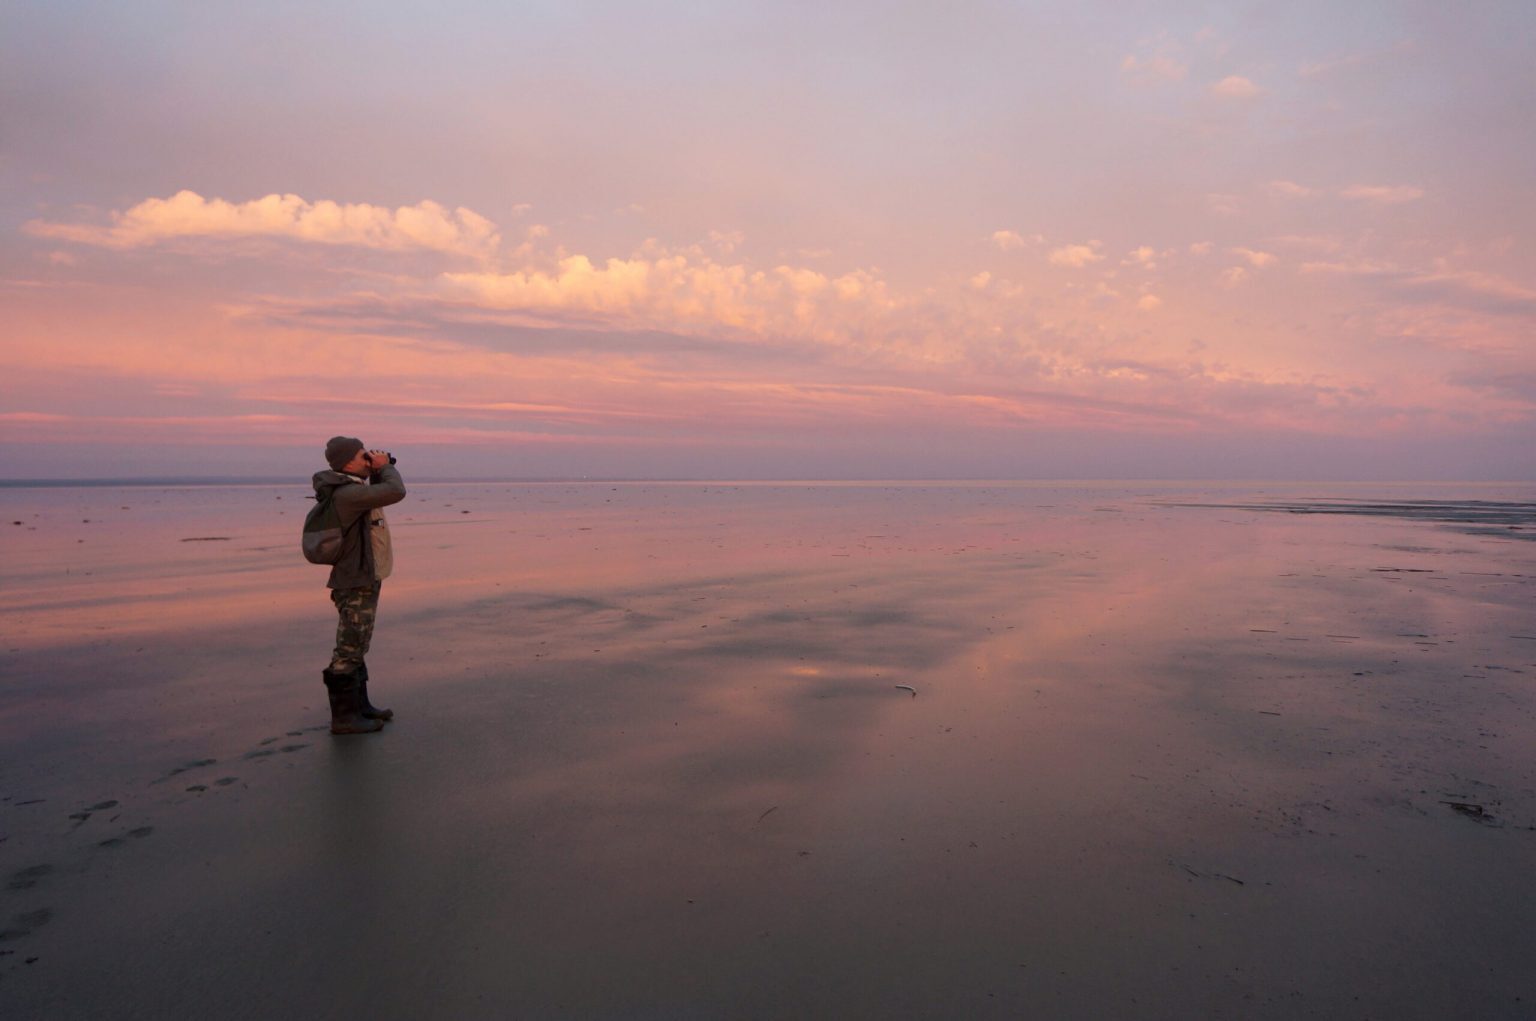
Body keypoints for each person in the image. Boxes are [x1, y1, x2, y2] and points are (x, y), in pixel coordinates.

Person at [314, 436, 407, 735]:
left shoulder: (355, 490)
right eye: (362, 455)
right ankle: (344, 719)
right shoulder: (347, 494)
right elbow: (395, 491)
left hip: (363, 576)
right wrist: (383, 467)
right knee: (349, 646)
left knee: (359, 641)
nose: (369, 459)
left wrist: (379, 469)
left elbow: (381, 492)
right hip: (354, 579)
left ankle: (360, 707)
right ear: (348, 462)